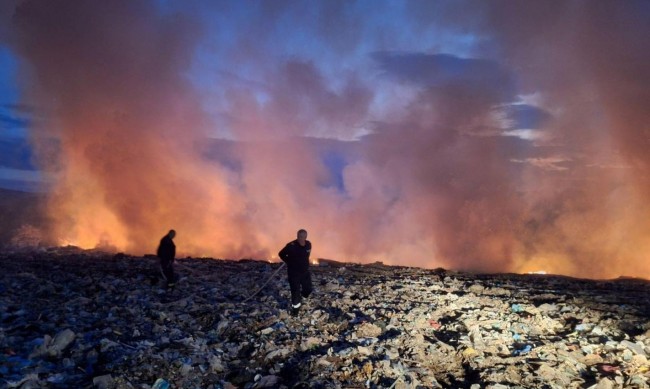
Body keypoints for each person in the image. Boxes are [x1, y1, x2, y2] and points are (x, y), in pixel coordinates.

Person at [278, 229, 313, 316]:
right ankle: (295, 311)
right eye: (299, 236)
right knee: (295, 292)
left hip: (305, 272)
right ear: (297, 236)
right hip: (294, 273)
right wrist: (289, 261)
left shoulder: (308, 244)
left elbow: (306, 255)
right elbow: (281, 254)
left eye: (303, 236)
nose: (301, 238)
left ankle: (303, 296)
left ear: (306, 237)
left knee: (308, 289)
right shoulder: (291, 245)